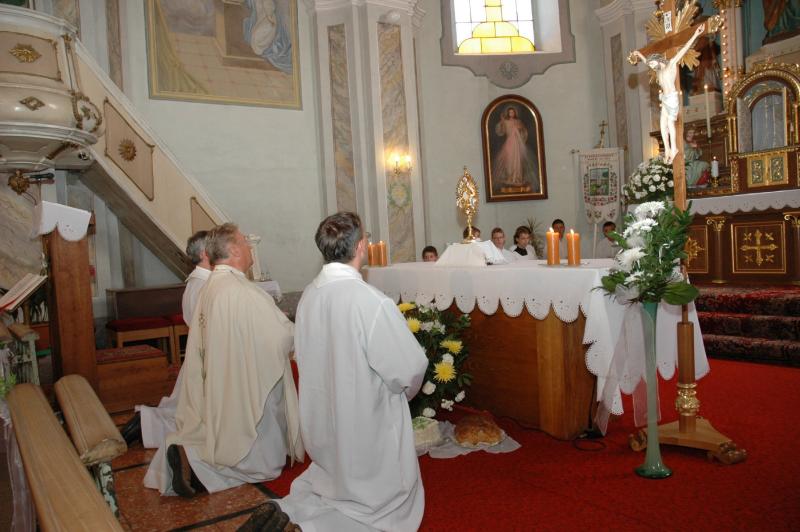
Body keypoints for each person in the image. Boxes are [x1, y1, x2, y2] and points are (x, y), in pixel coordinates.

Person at [275, 212, 428, 531]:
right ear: (360, 246)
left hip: (323, 411)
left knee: (333, 476)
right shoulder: (370, 301)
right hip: (365, 415)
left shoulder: (310, 294)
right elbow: (410, 367)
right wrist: (404, 394)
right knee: (379, 501)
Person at [144, 223, 303, 497]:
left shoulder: (213, 286)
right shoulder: (241, 291)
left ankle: (190, 458)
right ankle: (196, 465)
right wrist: (301, 334)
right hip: (243, 382)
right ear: (233, 250)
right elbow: (279, 338)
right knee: (262, 463)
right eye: (244, 242)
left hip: (225, 376)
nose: (249, 247)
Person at [120, 230, 212, 447]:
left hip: (199, 353)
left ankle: (144, 422)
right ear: (204, 253)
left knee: (186, 408)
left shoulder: (197, 281)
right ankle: (146, 424)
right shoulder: (204, 285)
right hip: (206, 355)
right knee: (192, 416)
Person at [631, 24, 706, 163]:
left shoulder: (671, 64)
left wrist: (696, 34)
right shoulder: (658, 70)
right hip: (665, 98)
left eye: (653, 64)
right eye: (651, 65)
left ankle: (674, 148)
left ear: (658, 61)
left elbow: (683, 50)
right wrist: (639, 54)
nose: (651, 67)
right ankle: (667, 150)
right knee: (662, 125)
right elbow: (647, 62)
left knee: (670, 123)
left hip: (672, 98)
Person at [493, 105, 536, 192]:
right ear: (508, 113)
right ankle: (510, 177)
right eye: (510, 112)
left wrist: (519, 129)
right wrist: (502, 121)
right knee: (509, 160)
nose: (511, 113)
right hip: (509, 143)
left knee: (517, 161)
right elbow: (501, 131)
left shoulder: (518, 121)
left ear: (515, 113)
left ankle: (517, 178)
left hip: (517, 144)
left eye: (512, 112)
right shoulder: (506, 121)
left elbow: (524, 132)